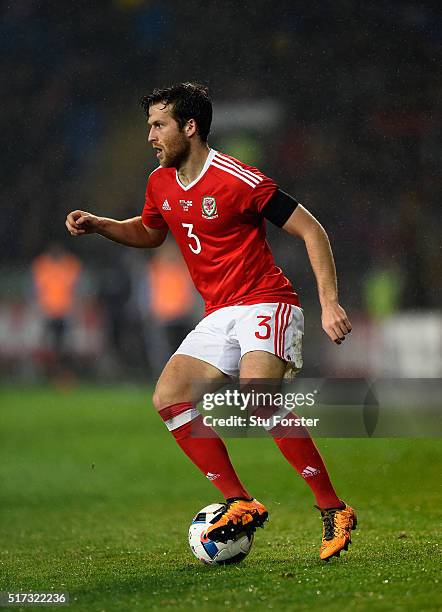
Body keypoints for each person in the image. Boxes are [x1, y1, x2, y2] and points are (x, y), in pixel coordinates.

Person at [65, 82, 356, 561]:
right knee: (169, 396)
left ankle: (333, 508)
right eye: (148, 127)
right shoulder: (159, 182)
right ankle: (239, 501)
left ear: (190, 127)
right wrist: (101, 225)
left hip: (266, 301)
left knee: (259, 397)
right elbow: (150, 231)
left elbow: (311, 228)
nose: (151, 136)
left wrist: (330, 303)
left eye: (159, 125)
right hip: (219, 312)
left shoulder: (239, 178)